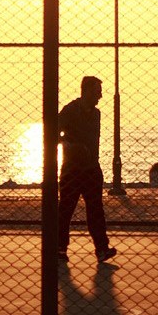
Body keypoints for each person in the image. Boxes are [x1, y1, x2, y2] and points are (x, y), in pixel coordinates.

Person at [57, 76, 118, 263]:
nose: (100, 95)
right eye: (97, 91)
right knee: (66, 209)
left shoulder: (96, 113)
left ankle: (101, 248)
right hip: (72, 169)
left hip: (92, 168)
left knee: (96, 210)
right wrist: (67, 144)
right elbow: (53, 131)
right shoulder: (70, 110)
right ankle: (59, 249)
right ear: (86, 91)